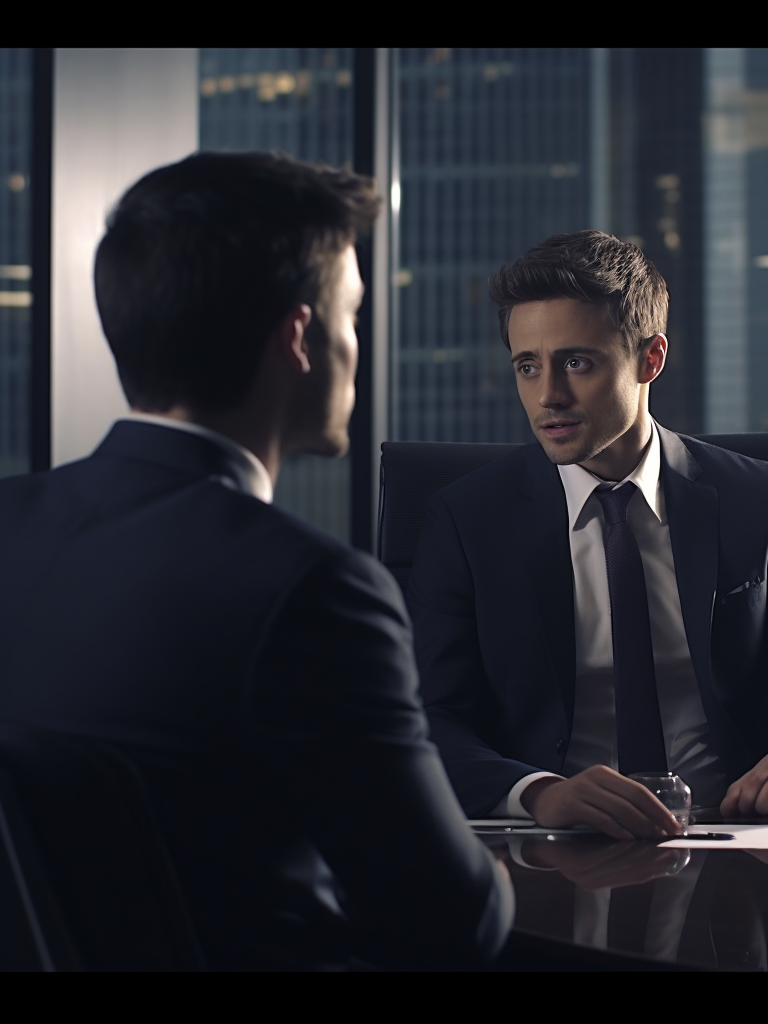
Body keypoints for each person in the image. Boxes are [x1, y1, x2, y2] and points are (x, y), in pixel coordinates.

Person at [0, 151, 513, 971]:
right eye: (352, 316)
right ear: (300, 337)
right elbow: (455, 927)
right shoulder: (315, 591)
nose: (357, 343)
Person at [407, 230, 768, 841]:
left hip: (735, 842)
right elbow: (428, 717)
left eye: (577, 362)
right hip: (550, 848)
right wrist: (537, 793)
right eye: (528, 366)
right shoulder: (468, 520)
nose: (548, 395)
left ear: (649, 359)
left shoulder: (754, 498)